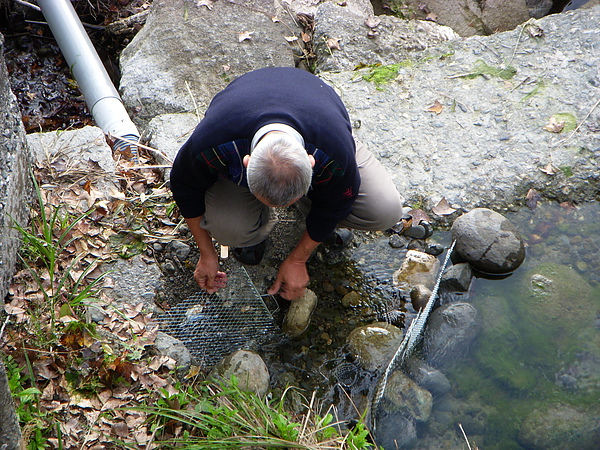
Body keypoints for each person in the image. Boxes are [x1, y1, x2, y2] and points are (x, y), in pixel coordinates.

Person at [170, 67, 404, 300]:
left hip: (321, 124)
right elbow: (184, 186)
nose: (282, 209)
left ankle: (310, 216)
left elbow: (337, 203)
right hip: (242, 118)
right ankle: (256, 231)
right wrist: (207, 252)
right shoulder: (212, 141)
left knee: (385, 210)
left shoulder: (334, 152)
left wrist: (298, 259)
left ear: (312, 163)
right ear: (246, 162)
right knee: (230, 230)